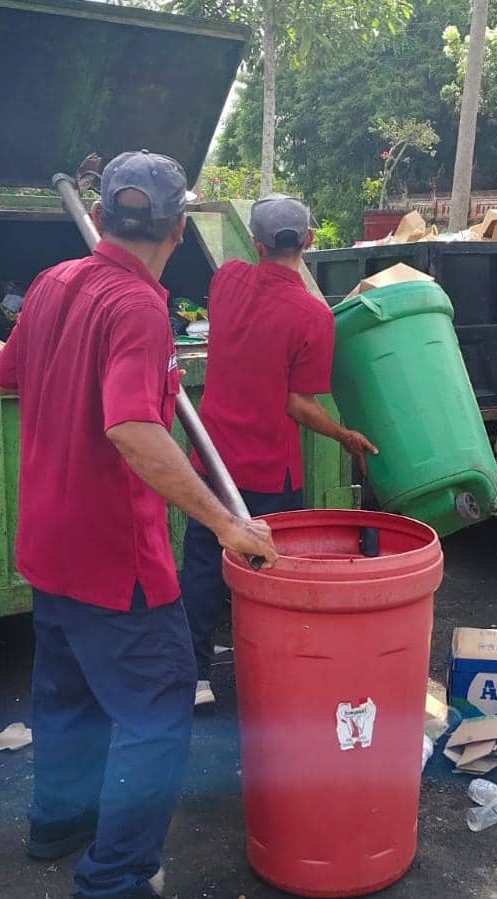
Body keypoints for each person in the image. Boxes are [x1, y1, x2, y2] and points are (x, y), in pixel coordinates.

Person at [0, 150, 277, 899]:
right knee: (158, 708)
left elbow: (8, 376)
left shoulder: (55, 281)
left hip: (48, 545)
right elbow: (131, 430)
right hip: (114, 557)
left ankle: (57, 823)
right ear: (178, 228)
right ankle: (115, 876)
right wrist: (225, 522)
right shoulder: (139, 307)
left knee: (66, 694)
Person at [180, 194, 377, 707]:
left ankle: (196, 676)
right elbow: (298, 404)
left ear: (259, 242)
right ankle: (272, 673)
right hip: (270, 471)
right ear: (309, 241)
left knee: (202, 566)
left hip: (212, 458)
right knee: (269, 571)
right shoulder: (313, 316)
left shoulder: (227, 281)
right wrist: (343, 434)